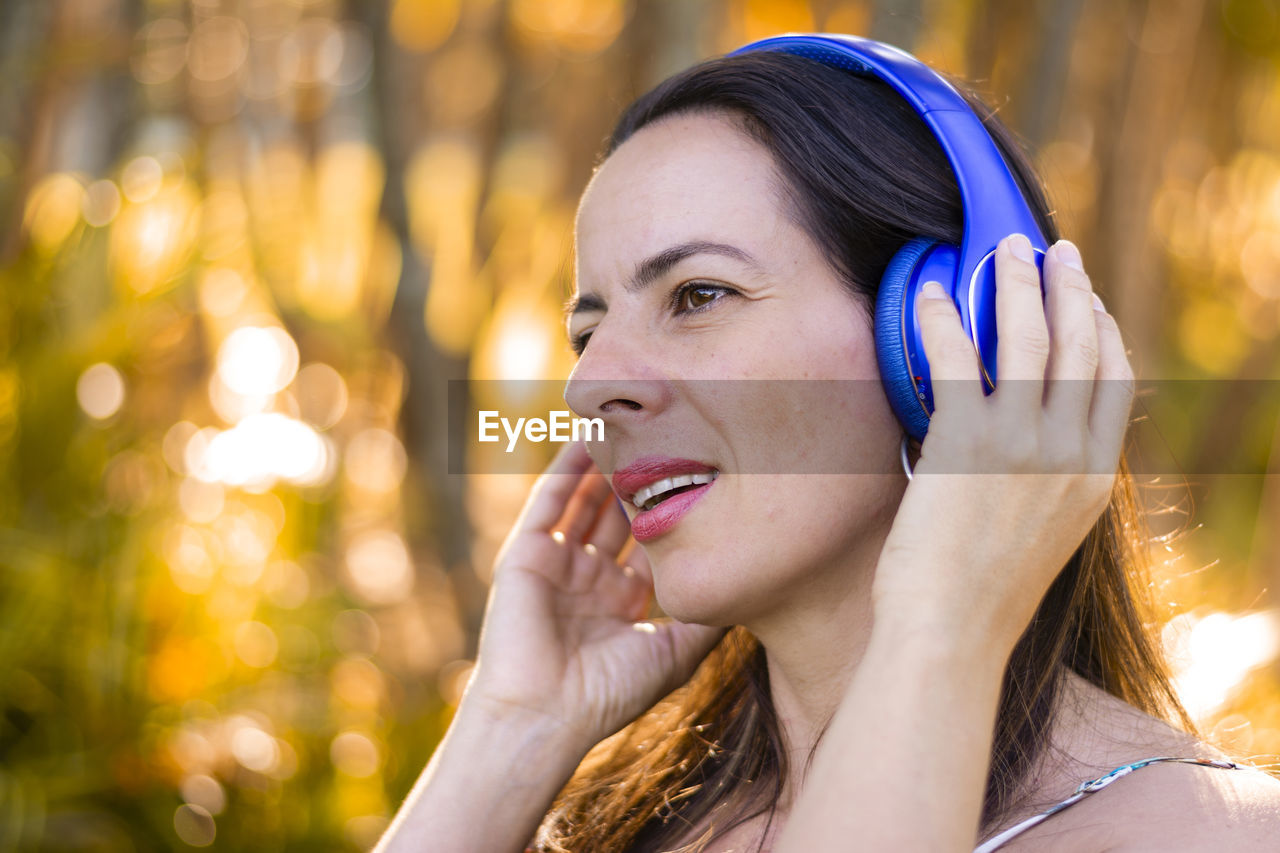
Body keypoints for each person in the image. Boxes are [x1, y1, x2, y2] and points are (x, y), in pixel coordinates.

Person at [378, 35, 1280, 852]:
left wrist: (945, 622)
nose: (589, 384)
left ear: (947, 337)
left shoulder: (1217, 836)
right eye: (588, 332)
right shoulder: (623, 819)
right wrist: (512, 727)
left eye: (697, 294)